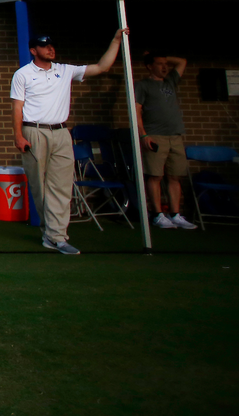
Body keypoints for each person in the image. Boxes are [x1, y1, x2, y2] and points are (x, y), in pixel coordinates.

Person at [11, 29, 129, 256]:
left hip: (62, 132)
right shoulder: (23, 74)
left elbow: (101, 67)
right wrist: (18, 136)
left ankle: (57, 237)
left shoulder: (65, 71)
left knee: (62, 186)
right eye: (45, 46)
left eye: (52, 45)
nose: (50, 49)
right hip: (34, 131)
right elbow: (17, 107)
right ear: (33, 51)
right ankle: (51, 234)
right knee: (39, 186)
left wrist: (115, 40)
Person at [133, 52, 196, 230]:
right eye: (159, 64)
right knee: (155, 175)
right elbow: (137, 110)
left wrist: (161, 56)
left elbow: (182, 60)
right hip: (155, 135)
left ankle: (175, 214)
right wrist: (144, 134)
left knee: (174, 175)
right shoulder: (143, 85)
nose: (164, 67)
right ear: (149, 66)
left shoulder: (170, 81)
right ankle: (158, 215)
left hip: (175, 135)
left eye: (165, 64)